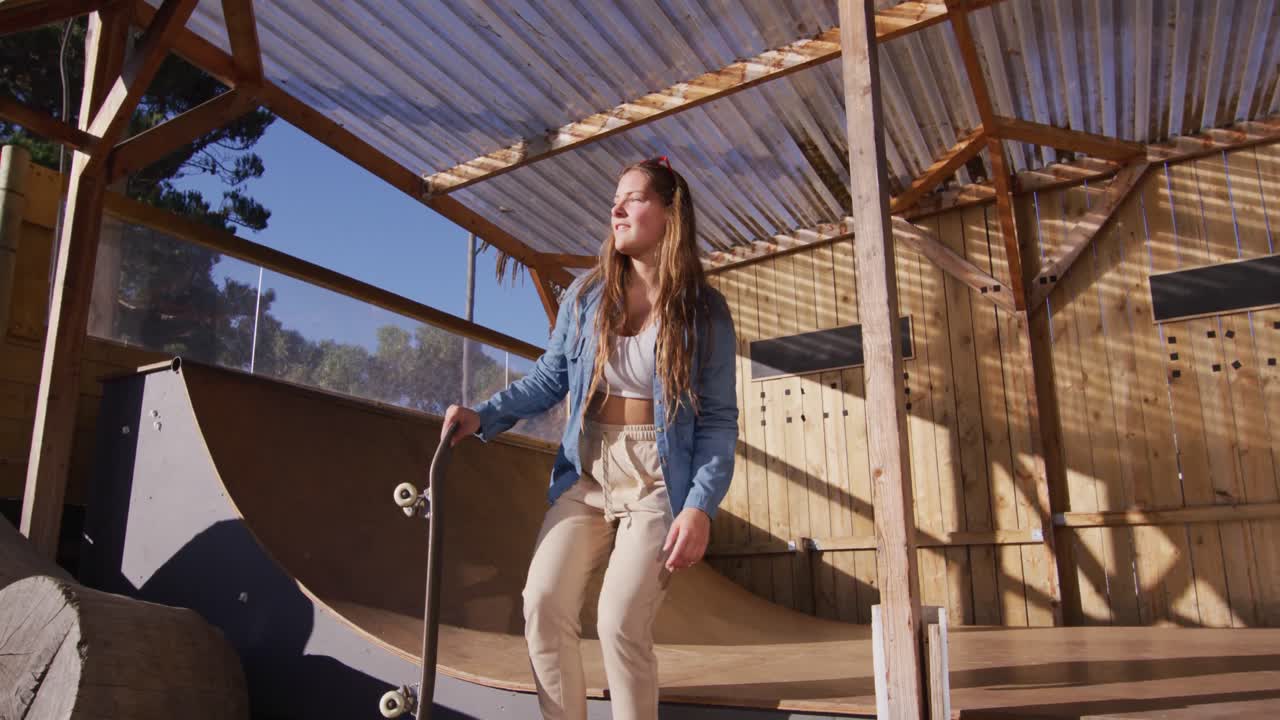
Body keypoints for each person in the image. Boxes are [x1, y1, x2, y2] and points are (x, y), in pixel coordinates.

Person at [441, 156, 739, 720]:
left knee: (620, 620)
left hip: (659, 474)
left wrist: (700, 506)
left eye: (633, 197)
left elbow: (720, 419)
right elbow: (552, 378)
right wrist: (484, 414)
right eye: (614, 198)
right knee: (542, 603)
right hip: (589, 468)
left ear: (671, 212)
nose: (616, 207)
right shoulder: (585, 296)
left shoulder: (704, 310)